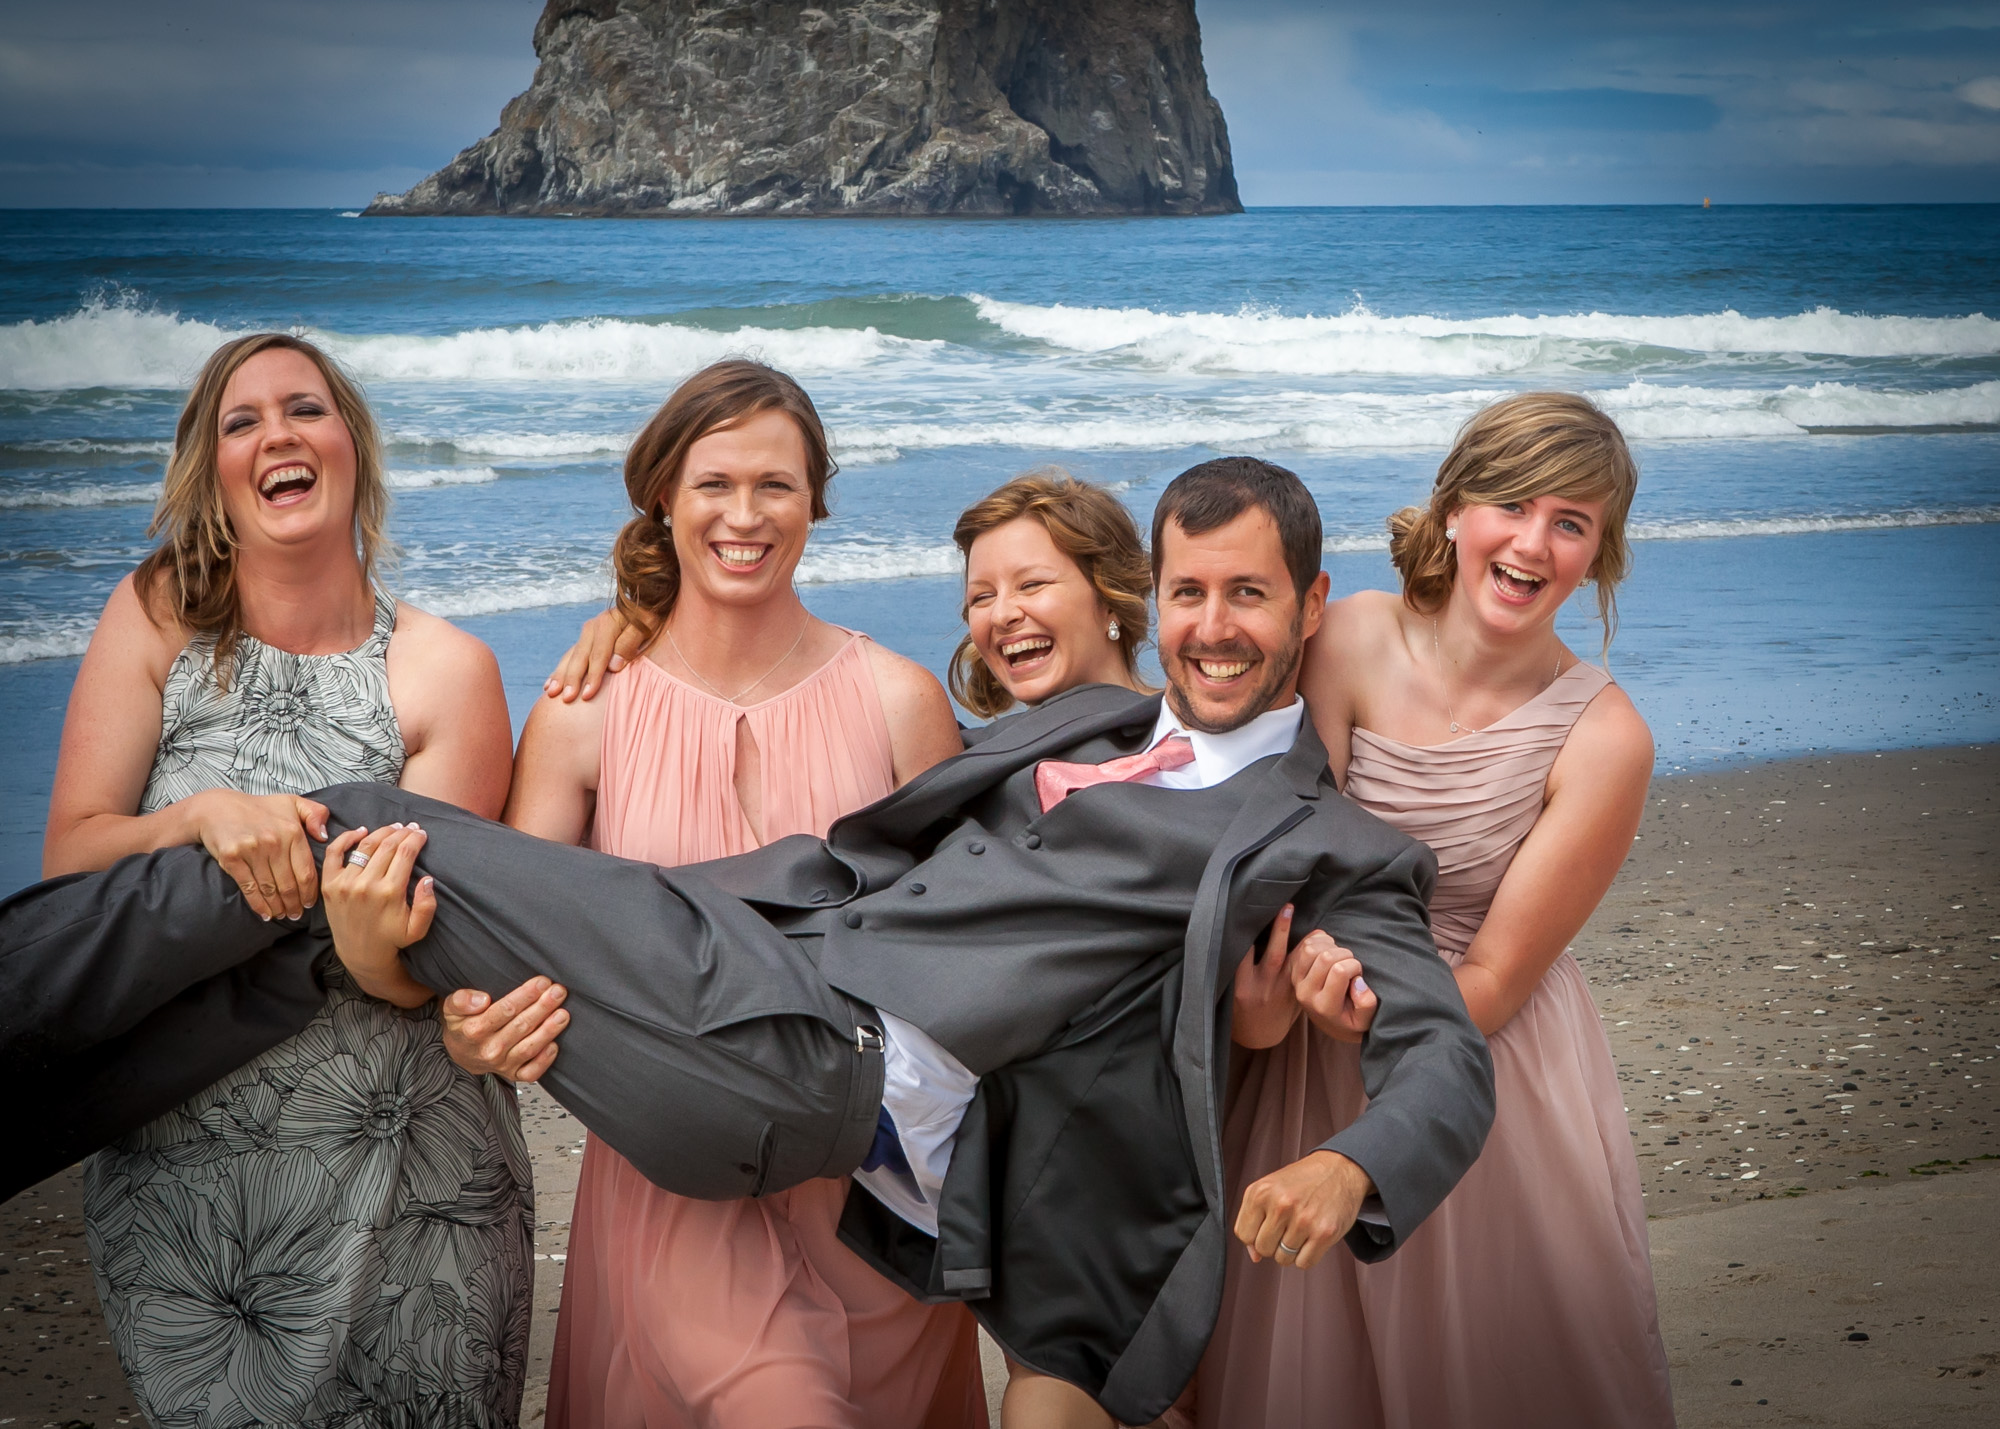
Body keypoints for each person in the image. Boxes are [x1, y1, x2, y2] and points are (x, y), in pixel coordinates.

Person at [0, 457, 1496, 1424]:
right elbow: (964, 656)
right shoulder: (1095, 717)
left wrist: (1350, 1158)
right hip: (738, 975)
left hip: (806, 1060)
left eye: (1251, 595)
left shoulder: (1329, 841)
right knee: (324, 926)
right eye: (1191, 594)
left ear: (1314, 606)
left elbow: (1446, 1058)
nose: (1217, 626)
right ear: (1152, 607)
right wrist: (626, 615)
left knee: (346, 815)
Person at [359, 358, 987, 1428]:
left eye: (775, 486)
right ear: (663, 495)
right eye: (714, 484)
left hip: (869, 1193)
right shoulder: (585, 712)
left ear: (816, 502)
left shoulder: (897, 699)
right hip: (672, 1185)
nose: (745, 516)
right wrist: (479, 1031)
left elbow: (960, 955)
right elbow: (503, 942)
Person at [34, 333, 532, 1426]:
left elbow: (445, 973)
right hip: (189, 1174)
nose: (276, 435)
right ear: (209, 469)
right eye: (240, 420)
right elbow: (73, 857)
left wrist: (369, 944)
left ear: (351, 444)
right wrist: (200, 817)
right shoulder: (159, 616)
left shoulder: (447, 669)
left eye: (304, 409)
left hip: (413, 1176)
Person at [1200, 393, 1676, 1428]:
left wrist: (1364, 1013)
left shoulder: (1604, 739)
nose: (1530, 542)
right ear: (1453, 509)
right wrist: (1284, 999)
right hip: (1300, 1031)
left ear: (1598, 554)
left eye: (1571, 522)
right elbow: (1283, 842)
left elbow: (1501, 974)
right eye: (1509, 503)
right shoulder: (1354, 635)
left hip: (1471, 1053)